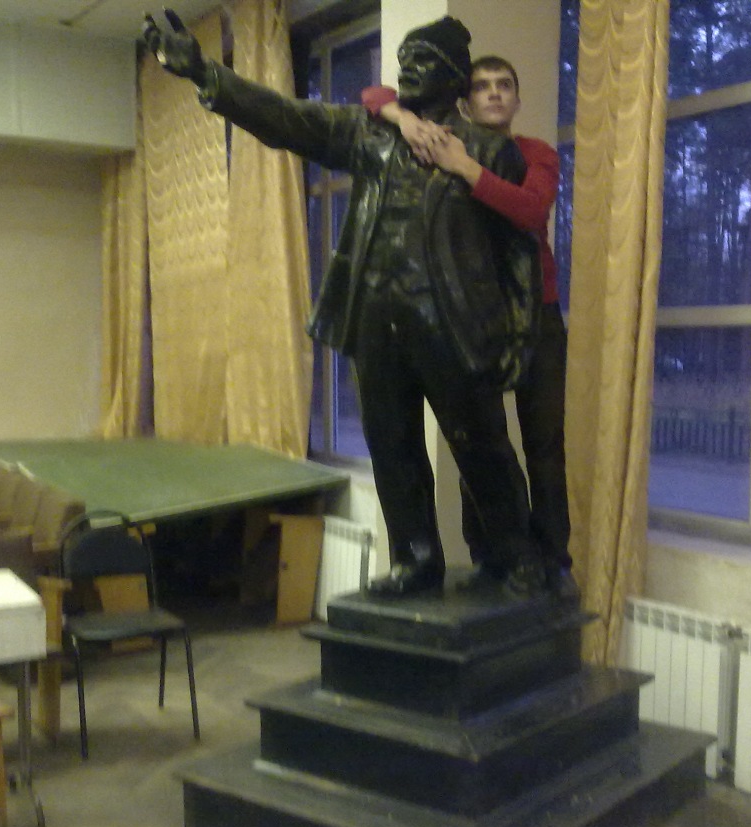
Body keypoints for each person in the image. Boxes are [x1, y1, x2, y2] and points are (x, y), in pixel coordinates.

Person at [142, 11, 545, 598]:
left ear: (455, 75)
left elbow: (518, 251)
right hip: (375, 318)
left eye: (422, 60)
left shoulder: (486, 149)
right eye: (403, 59)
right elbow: (286, 117)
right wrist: (207, 73)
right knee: (391, 446)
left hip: (453, 324)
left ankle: (517, 557)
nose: (407, 68)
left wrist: (519, 333)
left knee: (481, 447)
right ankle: (415, 561)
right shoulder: (368, 133)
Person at [362, 56, 577, 600]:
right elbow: (371, 95)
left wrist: (464, 168)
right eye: (482, 86)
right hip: (476, 319)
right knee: (479, 440)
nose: (495, 94)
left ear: (517, 99)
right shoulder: (437, 143)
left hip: (537, 316)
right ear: (465, 100)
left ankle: (553, 558)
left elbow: (530, 211)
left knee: (544, 445)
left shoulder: (534, 153)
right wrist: (402, 118)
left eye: (505, 85)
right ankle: (493, 557)